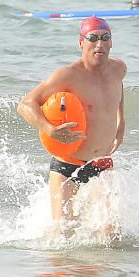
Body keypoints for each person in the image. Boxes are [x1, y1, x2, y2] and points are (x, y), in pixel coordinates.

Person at [17, 16, 127, 223]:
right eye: (92, 38)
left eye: (105, 38)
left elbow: (118, 92)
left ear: (111, 42)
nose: (99, 44)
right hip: (67, 166)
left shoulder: (118, 69)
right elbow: (26, 104)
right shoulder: (67, 75)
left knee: (111, 235)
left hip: (101, 163)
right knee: (62, 236)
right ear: (81, 42)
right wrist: (49, 129)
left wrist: (121, 123)